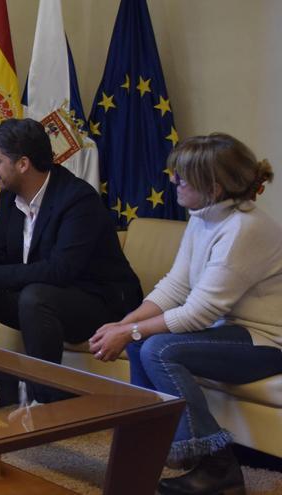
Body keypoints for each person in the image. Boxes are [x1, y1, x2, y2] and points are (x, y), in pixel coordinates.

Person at [88, 133, 282, 495]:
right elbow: (176, 286)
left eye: (181, 176)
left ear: (213, 185)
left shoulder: (244, 228)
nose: (172, 180)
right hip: (229, 331)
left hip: (266, 340)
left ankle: (218, 466)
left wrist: (132, 333)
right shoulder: (203, 215)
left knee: (158, 348)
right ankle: (150, 446)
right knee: (140, 342)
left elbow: (199, 313)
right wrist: (125, 324)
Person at [0, 118, 142, 403]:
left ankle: (43, 403)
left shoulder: (78, 200)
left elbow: (61, 270)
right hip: (42, 298)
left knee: (35, 297)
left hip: (99, 304)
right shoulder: (9, 199)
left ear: (23, 164)